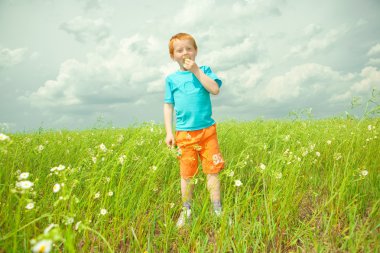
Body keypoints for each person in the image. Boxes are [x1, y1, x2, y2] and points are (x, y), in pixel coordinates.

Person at [163, 33, 225, 228]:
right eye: (179, 50)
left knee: (212, 171)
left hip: (207, 132)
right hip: (184, 134)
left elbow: (215, 89)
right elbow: (168, 106)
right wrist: (169, 132)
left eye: (189, 48)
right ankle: (187, 210)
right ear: (173, 56)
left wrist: (197, 71)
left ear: (196, 51)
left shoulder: (204, 70)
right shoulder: (171, 79)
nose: (185, 53)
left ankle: (217, 210)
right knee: (186, 175)